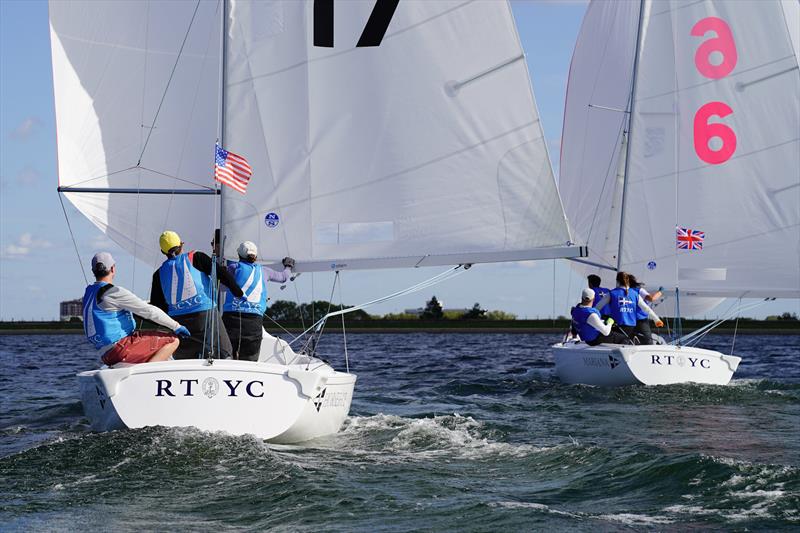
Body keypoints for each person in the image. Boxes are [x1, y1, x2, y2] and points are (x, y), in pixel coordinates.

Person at [83, 252, 190, 366]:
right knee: (172, 340)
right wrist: (176, 326)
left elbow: (110, 309)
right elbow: (149, 311)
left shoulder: (89, 292)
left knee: (162, 353)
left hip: (105, 355)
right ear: (113, 269)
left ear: (94, 271)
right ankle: (147, 374)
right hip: (121, 349)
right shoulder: (113, 292)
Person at [149, 231, 243, 359]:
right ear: (181, 245)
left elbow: (157, 305)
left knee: (186, 360)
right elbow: (221, 273)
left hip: (178, 321)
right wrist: (238, 292)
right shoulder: (196, 257)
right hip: (205, 316)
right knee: (224, 353)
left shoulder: (158, 274)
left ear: (163, 252)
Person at [222, 241, 295, 361]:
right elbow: (283, 277)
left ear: (239, 255)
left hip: (231, 319)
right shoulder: (265, 271)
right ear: (255, 257)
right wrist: (288, 266)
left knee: (227, 356)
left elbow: (221, 287)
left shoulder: (233, 268)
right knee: (249, 359)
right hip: (254, 321)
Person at [595, 271, 664, 344]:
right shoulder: (635, 294)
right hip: (631, 328)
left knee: (598, 337)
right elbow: (646, 308)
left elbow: (597, 308)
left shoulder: (612, 293)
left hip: (617, 327)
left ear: (617, 281)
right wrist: (656, 320)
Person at [628, 274, 664, 345]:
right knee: (648, 343)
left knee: (628, 341)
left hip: (627, 321)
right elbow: (652, 298)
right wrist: (660, 291)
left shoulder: (622, 291)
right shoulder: (639, 290)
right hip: (640, 321)